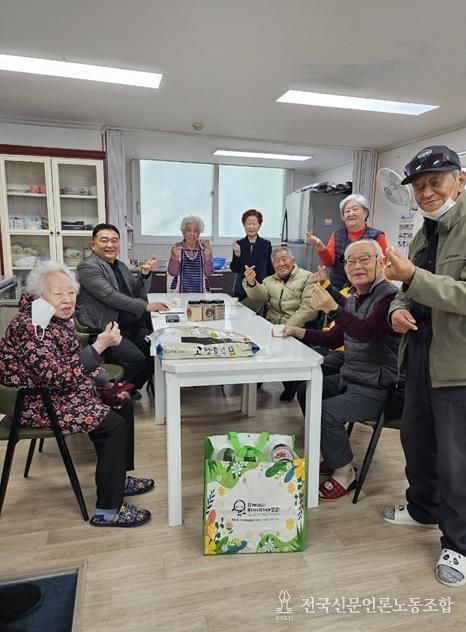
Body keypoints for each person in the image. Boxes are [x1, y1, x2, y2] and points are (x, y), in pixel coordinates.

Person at [0, 262, 154, 527]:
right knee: (112, 425)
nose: (67, 299)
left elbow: (73, 363)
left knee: (122, 402)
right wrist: (99, 346)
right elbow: (58, 376)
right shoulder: (31, 326)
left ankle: (118, 479)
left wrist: (107, 383)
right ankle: (108, 510)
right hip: (38, 403)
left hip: (58, 392)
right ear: (39, 295)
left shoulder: (54, 319)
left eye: (71, 292)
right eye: (58, 293)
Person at [382, 145, 466, 588]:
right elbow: (404, 289)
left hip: (457, 362)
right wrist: (398, 309)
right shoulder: (423, 233)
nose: (427, 192)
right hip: (418, 351)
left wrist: (413, 278)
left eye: (436, 182)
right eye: (419, 186)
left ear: (460, 180)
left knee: (456, 459)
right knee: (416, 441)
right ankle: (422, 508)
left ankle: (459, 544)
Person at [283, 240, 400, 500]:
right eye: (351, 261)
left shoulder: (390, 297)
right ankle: (334, 453)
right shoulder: (355, 296)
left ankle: (345, 472)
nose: (357, 266)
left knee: (326, 411)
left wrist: (333, 309)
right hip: (352, 377)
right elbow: (335, 337)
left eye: (365, 259)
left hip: (378, 387)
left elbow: (367, 332)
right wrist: (298, 332)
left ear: (381, 262)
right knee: (307, 390)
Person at [76, 223, 168, 395]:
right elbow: (110, 295)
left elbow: (137, 292)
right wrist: (146, 306)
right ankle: (112, 391)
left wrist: (145, 273)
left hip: (131, 326)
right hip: (107, 329)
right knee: (136, 359)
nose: (110, 245)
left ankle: (129, 389)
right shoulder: (88, 267)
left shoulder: (120, 266)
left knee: (158, 350)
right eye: (104, 240)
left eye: (114, 241)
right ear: (93, 245)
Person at [243, 246, 318, 401]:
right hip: (272, 326)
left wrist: (286, 328)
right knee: (252, 342)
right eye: (277, 261)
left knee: (285, 347)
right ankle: (256, 378)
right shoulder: (269, 280)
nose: (281, 264)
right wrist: (252, 283)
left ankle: (292, 384)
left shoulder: (307, 278)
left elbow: (308, 309)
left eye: (284, 259)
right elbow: (260, 297)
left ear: (293, 260)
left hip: (297, 327)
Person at [306, 193, 387, 289]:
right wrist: (319, 245)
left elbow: (383, 266)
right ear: (343, 217)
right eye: (347, 211)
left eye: (355, 209)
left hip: (367, 289)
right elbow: (329, 262)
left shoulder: (377, 236)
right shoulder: (337, 235)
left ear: (365, 213)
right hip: (337, 287)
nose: (351, 213)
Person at [230, 209, 274, 307]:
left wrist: (272, 289)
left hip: (261, 289)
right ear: (244, 225)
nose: (251, 227)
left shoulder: (266, 244)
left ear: (259, 225)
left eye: (254, 224)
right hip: (242, 290)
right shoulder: (239, 244)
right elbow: (235, 269)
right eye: (248, 224)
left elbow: (270, 268)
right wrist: (237, 255)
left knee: (260, 315)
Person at [168, 216, 213, 292]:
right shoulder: (177, 247)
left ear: (199, 233)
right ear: (183, 232)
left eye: (195, 231)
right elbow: (173, 273)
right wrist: (175, 258)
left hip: (201, 293)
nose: (192, 234)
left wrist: (207, 258)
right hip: (179, 293)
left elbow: (209, 273)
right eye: (188, 230)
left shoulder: (204, 248)